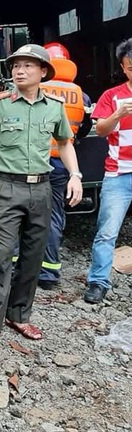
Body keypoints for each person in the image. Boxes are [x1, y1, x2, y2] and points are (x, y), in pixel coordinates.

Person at [0, 44, 83, 345]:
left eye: (28, 66)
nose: (19, 70)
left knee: (33, 254)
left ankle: (19, 315)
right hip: (5, 187)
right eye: (16, 65)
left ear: (43, 72)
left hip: (41, 188)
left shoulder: (54, 106)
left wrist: (75, 176)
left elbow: (65, 143)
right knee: (2, 253)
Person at [31, 42, 92, 290]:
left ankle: (18, 269)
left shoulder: (35, 89)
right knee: (54, 216)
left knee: (23, 216)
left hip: (32, 162)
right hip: (61, 163)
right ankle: (49, 273)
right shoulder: (81, 94)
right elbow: (85, 128)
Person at [83, 38, 132, 304]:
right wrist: (117, 114)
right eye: (131, 67)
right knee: (107, 231)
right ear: (123, 68)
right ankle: (98, 282)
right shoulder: (111, 96)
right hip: (119, 174)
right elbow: (101, 130)